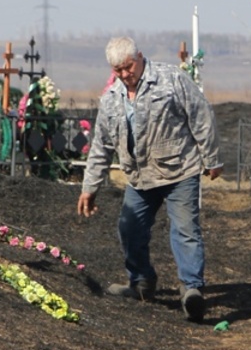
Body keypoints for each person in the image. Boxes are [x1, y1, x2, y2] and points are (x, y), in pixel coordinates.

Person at [77, 37, 224, 322]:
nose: (124, 75)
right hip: (140, 178)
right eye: (117, 70)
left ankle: (191, 289)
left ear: (140, 57)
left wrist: (212, 158)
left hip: (180, 170)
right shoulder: (111, 99)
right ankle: (141, 283)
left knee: (185, 230)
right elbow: (101, 146)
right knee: (129, 229)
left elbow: (201, 115)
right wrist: (89, 187)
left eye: (128, 67)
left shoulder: (171, 80)